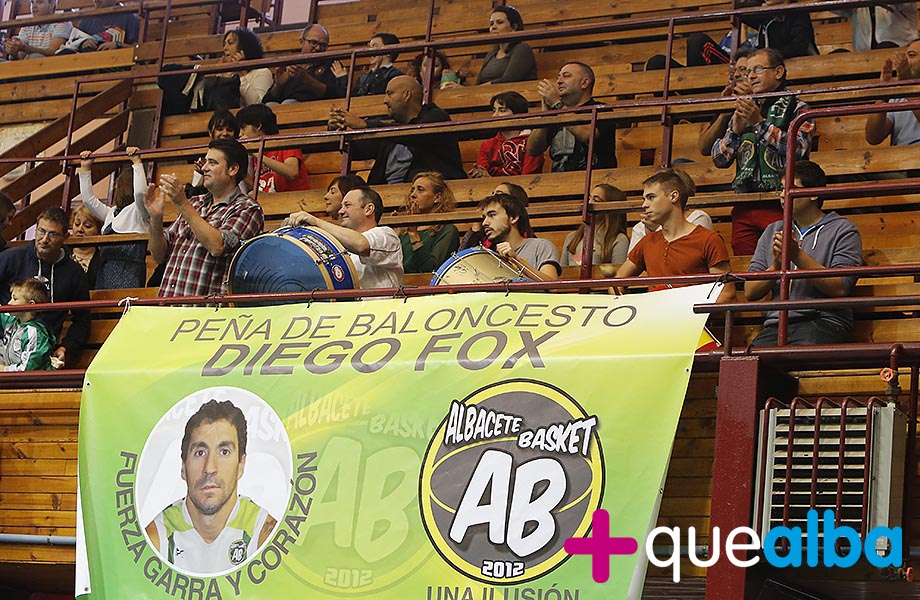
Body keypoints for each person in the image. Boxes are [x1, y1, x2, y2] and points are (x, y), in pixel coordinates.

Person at [145, 399, 277, 574]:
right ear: (183, 467)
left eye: (224, 452)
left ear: (241, 465)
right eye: (200, 453)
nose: (210, 468)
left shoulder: (264, 533)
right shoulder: (156, 539)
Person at [745, 160, 863, 346]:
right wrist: (777, 265)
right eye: (782, 188)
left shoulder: (843, 230)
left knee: (790, 358)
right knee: (747, 366)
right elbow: (750, 291)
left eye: (792, 188)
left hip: (823, 322)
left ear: (814, 194)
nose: (784, 195)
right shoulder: (772, 230)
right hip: (776, 325)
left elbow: (840, 287)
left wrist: (796, 255)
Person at [711, 48, 815, 255]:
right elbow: (718, 159)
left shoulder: (799, 107)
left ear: (778, 72)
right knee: (746, 268)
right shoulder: (745, 108)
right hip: (744, 204)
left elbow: (798, 149)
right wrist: (735, 131)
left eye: (757, 69)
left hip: (780, 203)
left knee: (779, 261)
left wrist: (759, 123)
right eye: (748, 71)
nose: (750, 76)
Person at [146, 139, 264, 298]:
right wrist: (155, 218)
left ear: (233, 169)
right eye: (205, 161)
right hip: (167, 309)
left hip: (203, 316)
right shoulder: (194, 203)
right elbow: (158, 255)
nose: (204, 168)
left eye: (212, 163)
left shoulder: (247, 208)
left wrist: (182, 203)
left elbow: (217, 246)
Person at [615, 169, 733, 303]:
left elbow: (726, 295)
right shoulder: (647, 241)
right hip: (653, 320)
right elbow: (618, 281)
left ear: (673, 196)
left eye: (651, 197)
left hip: (690, 321)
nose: (644, 205)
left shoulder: (709, 240)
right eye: (644, 199)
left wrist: (687, 311)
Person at [328, 76, 466, 184]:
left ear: (407, 95)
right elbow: (356, 151)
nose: (385, 100)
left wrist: (366, 124)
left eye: (390, 93)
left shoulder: (436, 116)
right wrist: (336, 132)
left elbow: (416, 135)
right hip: (386, 198)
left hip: (432, 195)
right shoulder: (390, 131)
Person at [0, 207, 90, 367]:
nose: (44, 239)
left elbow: (82, 320)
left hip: (42, 353)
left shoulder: (74, 273)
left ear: (66, 236)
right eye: (41, 231)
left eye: (52, 234)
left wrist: (66, 347)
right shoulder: (11, 258)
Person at [287, 187, 403, 289]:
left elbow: (361, 245)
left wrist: (316, 222)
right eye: (341, 206)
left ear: (368, 209)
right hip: (344, 311)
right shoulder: (338, 242)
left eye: (347, 205)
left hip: (380, 312)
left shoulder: (387, 235)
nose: (341, 211)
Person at [78, 146, 150, 289]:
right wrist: (85, 168)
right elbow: (88, 200)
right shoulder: (111, 213)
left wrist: (137, 162)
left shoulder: (139, 212)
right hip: (104, 272)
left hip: (129, 273)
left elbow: (140, 194)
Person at [526, 62, 617, 172]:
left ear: (584, 83)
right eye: (558, 77)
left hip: (595, 181)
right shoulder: (557, 112)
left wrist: (557, 104)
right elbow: (532, 150)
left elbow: (587, 136)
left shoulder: (601, 110)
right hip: (558, 183)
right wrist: (545, 114)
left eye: (566, 76)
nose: (559, 81)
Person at [479, 192, 560, 280]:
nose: (484, 223)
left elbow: (553, 286)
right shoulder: (488, 255)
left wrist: (516, 259)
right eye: (484, 218)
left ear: (513, 218)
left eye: (492, 215)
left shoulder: (540, 246)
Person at [236, 103, 311, 193]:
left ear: (258, 125)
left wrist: (256, 153)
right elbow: (254, 187)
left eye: (243, 128)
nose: (240, 134)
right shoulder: (257, 149)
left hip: (294, 201)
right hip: (266, 201)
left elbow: (292, 172)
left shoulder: (286, 142)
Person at [469, 91, 544, 178]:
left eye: (502, 110)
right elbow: (482, 176)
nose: (495, 116)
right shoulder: (487, 145)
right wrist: (481, 174)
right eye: (494, 110)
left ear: (518, 114)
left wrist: (490, 180)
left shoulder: (532, 142)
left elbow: (528, 178)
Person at [398, 172, 460, 273]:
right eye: (412, 190)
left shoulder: (447, 230)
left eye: (420, 190)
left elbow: (432, 269)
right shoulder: (404, 230)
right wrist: (393, 237)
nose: (413, 195)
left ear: (437, 198)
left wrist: (414, 235)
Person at [697, 48, 755, 156]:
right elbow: (704, 148)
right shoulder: (731, 99)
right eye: (735, 71)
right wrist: (724, 114)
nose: (736, 75)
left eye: (742, 69)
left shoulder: (768, 102)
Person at [262, 24, 339, 104]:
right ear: (302, 42)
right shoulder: (290, 63)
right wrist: (278, 85)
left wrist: (307, 79)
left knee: (288, 103)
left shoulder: (331, 65)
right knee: (269, 106)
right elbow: (266, 101)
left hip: (313, 109)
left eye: (323, 45)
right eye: (313, 42)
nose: (318, 48)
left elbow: (335, 95)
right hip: (281, 106)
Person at [200, 28, 272, 112]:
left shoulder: (262, 72)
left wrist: (240, 72)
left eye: (230, 43)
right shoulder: (224, 74)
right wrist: (219, 75)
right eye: (224, 44)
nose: (225, 48)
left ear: (244, 47)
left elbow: (257, 105)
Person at [865, 39, 920, 147]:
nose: (905, 61)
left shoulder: (904, 89)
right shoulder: (899, 94)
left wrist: (907, 88)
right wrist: (884, 94)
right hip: (900, 159)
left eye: (912, 55)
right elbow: (873, 137)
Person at [562, 184, 629, 267]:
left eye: (596, 200)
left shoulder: (619, 239)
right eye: (589, 198)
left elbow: (619, 274)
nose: (589, 203)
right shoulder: (572, 237)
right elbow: (562, 273)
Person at [460, 181, 535, 250]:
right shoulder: (486, 237)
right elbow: (460, 257)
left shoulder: (534, 245)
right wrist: (475, 229)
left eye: (498, 194)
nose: (493, 198)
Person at [0, 278, 54, 371]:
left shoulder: (35, 332)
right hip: (10, 379)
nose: (9, 303)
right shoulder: (12, 319)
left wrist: (4, 369)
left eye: (15, 299)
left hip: (33, 383)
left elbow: (28, 368)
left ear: (31, 304)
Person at [476, 6, 537, 85]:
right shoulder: (490, 54)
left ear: (514, 27)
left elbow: (510, 79)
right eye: (491, 24)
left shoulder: (522, 49)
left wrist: (483, 87)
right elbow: (477, 84)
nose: (493, 27)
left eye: (499, 22)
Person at [740, 0, 818, 59]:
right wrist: (762, 5)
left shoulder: (798, 13)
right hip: (770, 65)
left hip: (800, 64)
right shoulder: (764, 15)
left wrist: (768, 55)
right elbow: (739, 8)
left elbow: (799, 47)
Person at [333, 33, 403, 97]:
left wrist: (377, 72)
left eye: (375, 47)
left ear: (388, 52)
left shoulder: (396, 75)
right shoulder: (363, 78)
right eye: (369, 47)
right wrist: (342, 79)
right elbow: (351, 99)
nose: (370, 51)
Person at [2, 0, 72, 59]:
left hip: (51, 66)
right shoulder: (26, 26)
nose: (34, 6)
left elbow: (54, 52)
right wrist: (14, 50)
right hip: (26, 66)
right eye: (32, 2)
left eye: (39, 2)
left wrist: (25, 48)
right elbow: (21, 55)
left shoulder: (62, 22)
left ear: (51, 4)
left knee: (35, 57)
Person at [831, 4, 917, 52]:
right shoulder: (856, 6)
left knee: (885, 48)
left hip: (901, 50)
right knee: (838, 55)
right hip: (862, 56)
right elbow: (838, 7)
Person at [74, 0, 139, 51]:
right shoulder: (87, 19)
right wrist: (83, 43)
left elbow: (138, 49)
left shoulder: (129, 17)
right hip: (89, 60)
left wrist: (118, 45)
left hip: (117, 61)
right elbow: (75, 44)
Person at [67, 205, 103, 288]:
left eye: (87, 226)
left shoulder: (102, 257)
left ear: (98, 230)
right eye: (77, 224)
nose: (80, 229)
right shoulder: (63, 253)